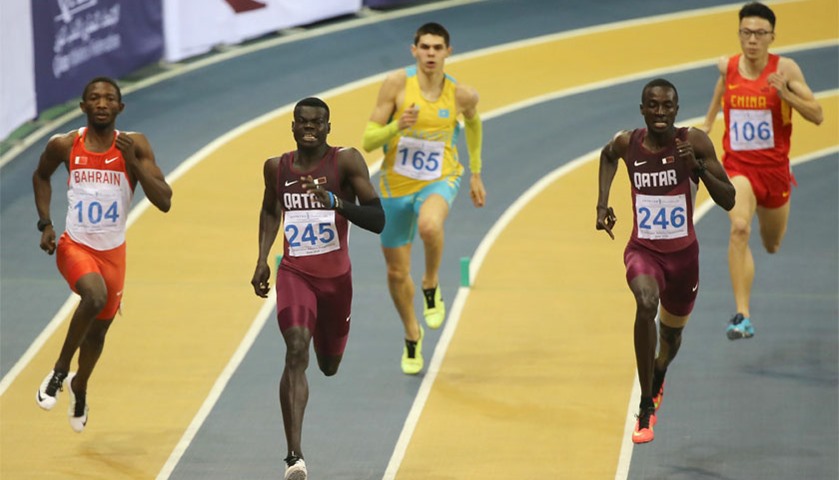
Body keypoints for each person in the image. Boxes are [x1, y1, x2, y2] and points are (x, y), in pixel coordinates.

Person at [251, 97, 385, 480]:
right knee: (296, 348)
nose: (309, 127)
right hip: (295, 274)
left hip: (336, 284)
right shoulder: (276, 168)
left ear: (328, 127)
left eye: (317, 122)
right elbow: (270, 209)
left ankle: (329, 349)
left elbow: (377, 219)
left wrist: (336, 203)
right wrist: (262, 258)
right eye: (303, 121)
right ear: (293, 126)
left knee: (327, 366)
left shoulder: (346, 162)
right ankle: (294, 458)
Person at [597, 79, 735, 444]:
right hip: (643, 251)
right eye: (653, 105)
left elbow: (729, 199)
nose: (660, 112)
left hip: (684, 261)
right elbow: (607, 156)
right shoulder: (628, 143)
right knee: (646, 302)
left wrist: (698, 169)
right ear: (642, 109)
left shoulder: (695, 142)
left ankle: (659, 373)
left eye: (667, 106)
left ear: (676, 109)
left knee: (671, 339)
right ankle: (645, 405)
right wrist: (602, 204)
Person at [32, 76, 173, 432]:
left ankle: (79, 385)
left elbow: (164, 201)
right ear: (83, 106)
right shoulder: (65, 144)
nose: (101, 103)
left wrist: (133, 162)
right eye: (94, 98)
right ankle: (60, 371)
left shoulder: (135, 145)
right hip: (75, 246)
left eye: (109, 98)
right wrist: (45, 223)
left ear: (120, 107)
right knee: (93, 297)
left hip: (113, 255)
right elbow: (41, 176)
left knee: (97, 334)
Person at [362, 22, 486, 375]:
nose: (431, 53)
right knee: (396, 272)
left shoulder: (462, 95)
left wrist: (475, 171)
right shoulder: (396, 85)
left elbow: (474, 124)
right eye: (425, 47)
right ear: (414, 50)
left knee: (430, 226)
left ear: (448, 52)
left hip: (439, 178)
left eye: (437, 48)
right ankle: (411, 333)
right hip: (394, 187)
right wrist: (396, 126)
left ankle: (431, 282)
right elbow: (368, 140)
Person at [701, 2, 823, 340]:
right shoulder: (729, 67)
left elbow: (818, 115)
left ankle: (747, 304)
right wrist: (708, 123)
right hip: (738, 168)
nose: (752, 40)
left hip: (775, 173)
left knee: (772, 244)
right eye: (746, 33)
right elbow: (722, 88)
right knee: (739, 228)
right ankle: (742, 315)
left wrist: (786, 94)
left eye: (759, 33)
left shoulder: (786, 69)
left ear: (772, 36)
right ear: (739, 34)